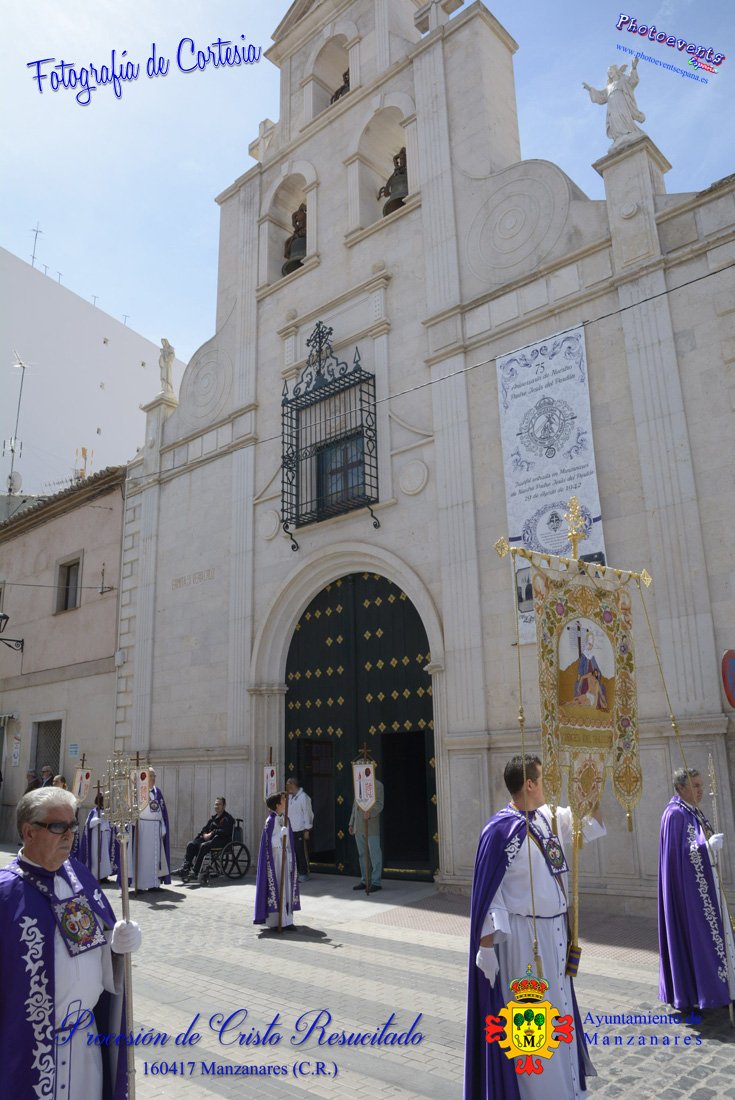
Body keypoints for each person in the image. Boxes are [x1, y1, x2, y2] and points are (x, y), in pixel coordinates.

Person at [464, 754, 605, 1100]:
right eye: (543, 779)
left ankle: (567, 1089)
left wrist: (591, 783)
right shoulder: (499, 830)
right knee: (533, 1023)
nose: (548, 785)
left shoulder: (549, 818)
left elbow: (590, 822)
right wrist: (485, 948)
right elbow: (489, 894)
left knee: (559, 1014)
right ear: (529, 784)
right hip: (524, 941)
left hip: (557, 933)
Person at [0, 787, 141, 1099]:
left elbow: (91, 947)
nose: (69, 835)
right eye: (57, 826)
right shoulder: (6, 893)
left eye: (73, 825)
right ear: (29, 832)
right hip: (29, 1052)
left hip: (85, 1046)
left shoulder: (78, 876)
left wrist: (117, 946)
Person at [658, 767, 735, 1010]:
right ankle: (703, 992)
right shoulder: (674, 814)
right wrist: (706, 848)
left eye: (701, 785)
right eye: (696, 786)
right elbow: (680, 856)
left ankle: (724, 987)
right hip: (689, 893)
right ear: (681, 788)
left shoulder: (692, 810)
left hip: (707, 884)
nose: (701, 790)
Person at [253, 792, 300, 930]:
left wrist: (290, 855)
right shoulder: (270, 821)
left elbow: (289, 841)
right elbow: (269, 842)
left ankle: (288, 920)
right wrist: (281, 835)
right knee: (278, 887)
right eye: (283, 800)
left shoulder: (286, 819)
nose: (285, 802)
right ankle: (276, 921)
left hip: (286, 857)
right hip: (275, 860)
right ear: (277, 805)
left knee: (287, 887)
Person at [583, 58, 645, 147]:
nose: (609, 72)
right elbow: (601, 96)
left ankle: (628, 132)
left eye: (611, 70)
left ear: (616, 71)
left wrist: (634, 68)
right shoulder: (609, 87)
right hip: (612, 107)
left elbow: (632, 81)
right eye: (608, 72)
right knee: (614, 119)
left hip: (621, 103)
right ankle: (619, 137)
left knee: (624, 116)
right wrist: (590, 89)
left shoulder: (622, 80)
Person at [173, 796, 234, 880]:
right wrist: (205, 834)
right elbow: (204, 829)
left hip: (221, 840)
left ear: (224, 806)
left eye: (219, 804)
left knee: (203, 846)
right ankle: (185, 868)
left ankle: (195, 871)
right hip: (210, 840)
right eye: (215, 804)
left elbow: (226, 831)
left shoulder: (228, 818)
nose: (216, 806)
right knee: (191, 844)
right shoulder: (213, 819)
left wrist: (212, 833)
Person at [129, 767, 171, 890]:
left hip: (156, 828)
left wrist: (163, 825)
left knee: (155, 857)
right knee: (143, 858)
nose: (153, 778)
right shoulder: (139, 791)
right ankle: (140, 884)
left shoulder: (158, 792)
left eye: (154, 776)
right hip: (143, 828)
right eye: (150, 776)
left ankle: (154, 883)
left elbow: (162, 811)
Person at [349, 778, 384, 892]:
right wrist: (351, 823)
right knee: (362, 855)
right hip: (358, 826)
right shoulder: (359, 784)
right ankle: (365, 880)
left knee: (374, 854)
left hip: (371, 826)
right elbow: (355, 805)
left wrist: (370, 813)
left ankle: (376, 882)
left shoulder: (377, 785)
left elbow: (379, 804)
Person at [79, 793, 116, 882]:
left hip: (106, 836)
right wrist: (98, 820)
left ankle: (104, 876)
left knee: (105, 857)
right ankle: (96, 875)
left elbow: (110, 823)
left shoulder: (107, 811)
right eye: (105, 800)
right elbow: (89, 823)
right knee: (96, 856)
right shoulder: (94, 811)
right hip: (96, 837)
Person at [285, 776, 313, 881]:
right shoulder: (289, 797)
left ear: (293, 784)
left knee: (301, 852)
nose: (286, 786)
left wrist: (307, 829)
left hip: (300, 829)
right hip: (290, 829)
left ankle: (304, 873)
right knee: (292, 852)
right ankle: (295, 872)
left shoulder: (303, 797)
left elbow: (308, 813)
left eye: (288, 784)